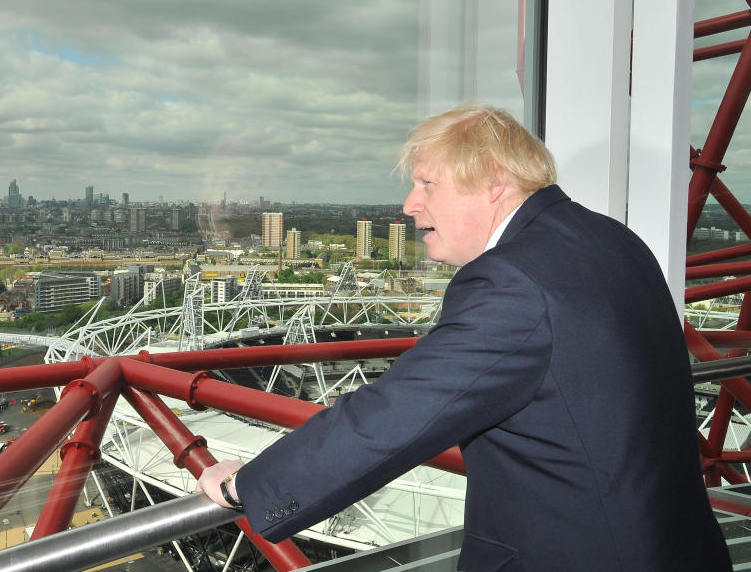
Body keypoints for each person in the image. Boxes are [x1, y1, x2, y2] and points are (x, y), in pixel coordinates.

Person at [198, 104, 731, 571]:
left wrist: (250, 485)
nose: (408, 204)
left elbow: (395, 415)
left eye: (427, 183)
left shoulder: (514, 279)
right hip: (677, 547)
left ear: (493, 181)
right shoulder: (612, 239)